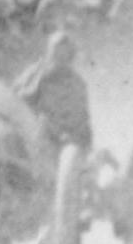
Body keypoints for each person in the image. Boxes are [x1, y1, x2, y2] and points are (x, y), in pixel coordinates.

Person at [15, 30, 94, 160]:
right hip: (39, 139)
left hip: (67, 144)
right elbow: (19, 101)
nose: (60, 59)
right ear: (49, 54)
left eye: (64, 55)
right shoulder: (36, 74)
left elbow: (84, 122)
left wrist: (83, 145)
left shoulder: (77, 83)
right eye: (56, 54)